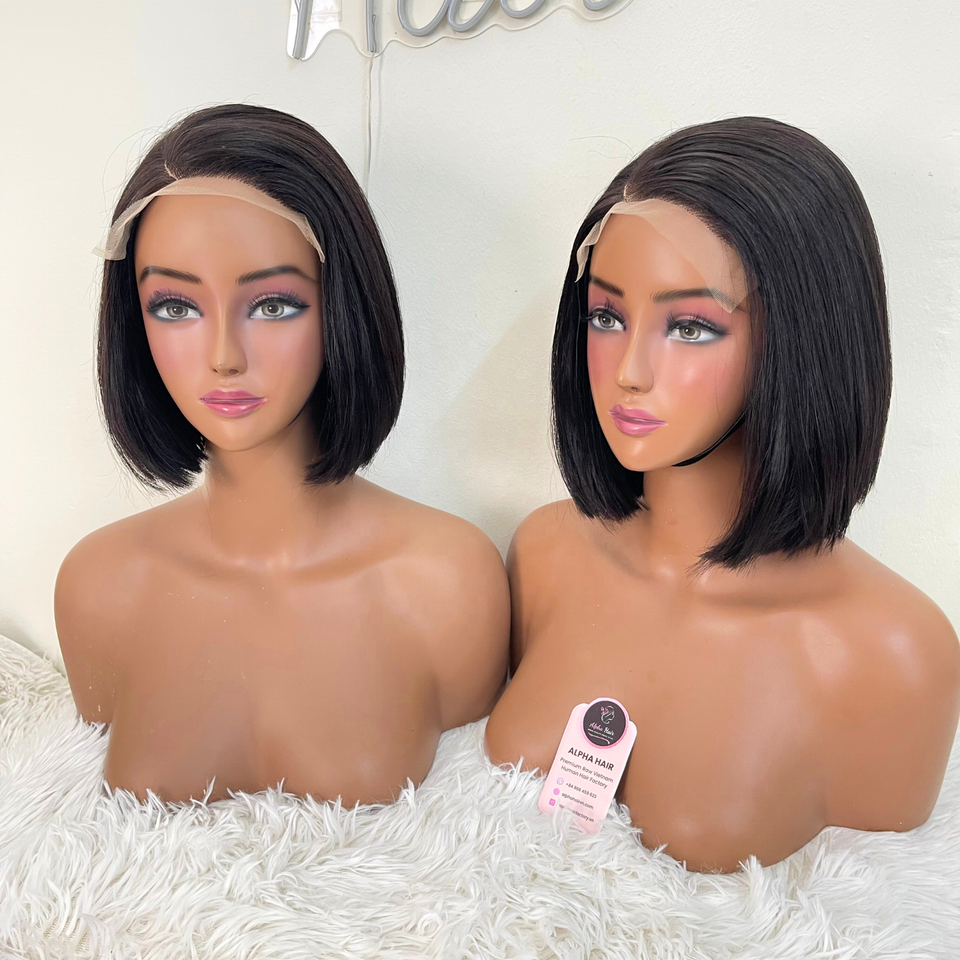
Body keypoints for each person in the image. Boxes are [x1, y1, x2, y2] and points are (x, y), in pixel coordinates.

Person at [484, 117, 960, 872]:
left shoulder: (895, 653)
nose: (630, 371)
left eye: (691, 327)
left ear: (800, 341)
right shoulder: (546, 556)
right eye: (606, 316)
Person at [57, 104, 509, 806]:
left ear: (341, 306)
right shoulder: (99, 587)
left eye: (272, 304)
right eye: (175, 306)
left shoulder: (451, 581)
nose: (224, 357)